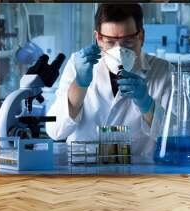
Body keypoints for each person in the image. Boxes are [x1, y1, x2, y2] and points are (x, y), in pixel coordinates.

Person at [46, 4, 173, 163]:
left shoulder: (162, 70)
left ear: (140, 37)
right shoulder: (78, 65)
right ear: (98, 38)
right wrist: (79, 84)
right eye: (110, 42)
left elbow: (173, 138)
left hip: (138, 173)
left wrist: (146, 104)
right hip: (83, 172)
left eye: (127, 42)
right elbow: (55, 131)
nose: (119, 50)